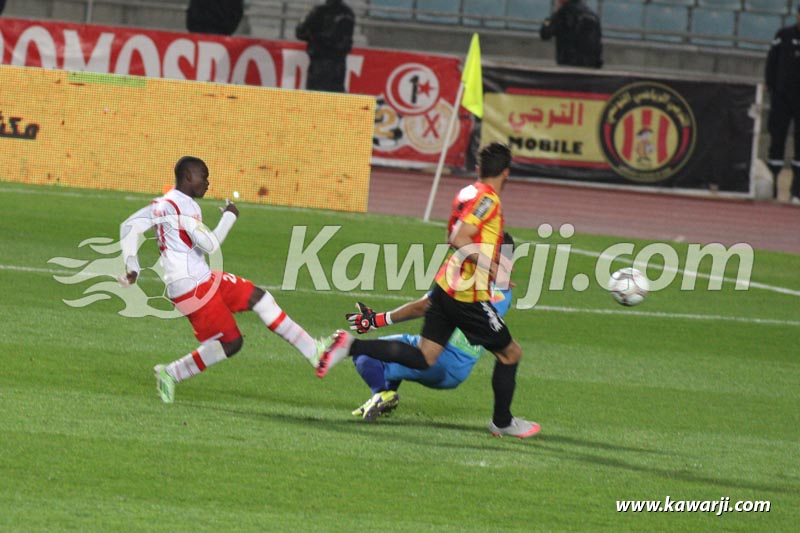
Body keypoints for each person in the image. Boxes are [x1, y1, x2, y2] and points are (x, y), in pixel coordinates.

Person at [318, 143, 540, 439]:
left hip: (448, 283)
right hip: (466, 294)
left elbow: (458, 236)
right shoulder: (489, 200)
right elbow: (459, 237)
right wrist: (490, 265)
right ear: (507, 173)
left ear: (478, 168)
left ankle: (351, 345)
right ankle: (502, 421)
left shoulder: (467, 193)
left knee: (425, 356)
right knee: (510, 353)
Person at [119, 156, 324, 403]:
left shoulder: (160, 204)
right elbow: (211, 245)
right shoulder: (184, 207)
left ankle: (314, 350)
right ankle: (171, 373)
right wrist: (230, 215)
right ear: (188, 177)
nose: (207, 183)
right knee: (231, 342)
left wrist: (133, 267)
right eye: (203, 177)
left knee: (259, 297)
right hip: (192, 289)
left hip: (203, 278)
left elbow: (128, 227)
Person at [345, 233, 516, 422]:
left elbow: (423, 306)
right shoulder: (505, 293)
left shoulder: (466, 282)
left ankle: (381, 394)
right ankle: (385, 397)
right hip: (459, 369)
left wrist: (378, 320)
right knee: (400, 347)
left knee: (365, 354)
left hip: (437, 357)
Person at [765, 3, 800, 203]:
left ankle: (797, 191)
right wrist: (772, 87)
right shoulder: (784, 35)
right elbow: (771, 62)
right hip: (782, 98)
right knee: (776, 141)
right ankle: (772, 187)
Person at [295, 0, 355, 92]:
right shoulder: (349, 13)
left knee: (316, 95)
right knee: (335, 95)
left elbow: (300, 32)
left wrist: (313, 37)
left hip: (320, 62)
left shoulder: (320, 11)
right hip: (339, 64)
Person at [539, 0, 603, 69]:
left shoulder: (562, 13)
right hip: (590, 66)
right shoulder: (593, 15)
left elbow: (545, 34)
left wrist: (548, 19)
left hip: (568, 64)